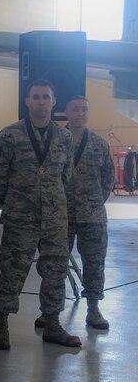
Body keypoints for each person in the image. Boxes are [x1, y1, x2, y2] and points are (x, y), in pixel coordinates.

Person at [0, 79, 82, 349]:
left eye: (46, 97)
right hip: (21, 217)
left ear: (54, 102)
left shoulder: (64, 137)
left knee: (55, 270)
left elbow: (66, 175)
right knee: (12, 268)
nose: (41, 101)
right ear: (28, 101)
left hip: (54, 218)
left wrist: (53, 200)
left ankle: (52, 323)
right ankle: (2, 323)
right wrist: (13, 202)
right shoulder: (10, 135)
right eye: (36, 97)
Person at [63, 95, 116, 329]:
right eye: (75, 109)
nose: (80, 113)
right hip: (60, 213)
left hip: (92, 215)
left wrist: (93, 201)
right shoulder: (55, 140)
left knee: (94, 263)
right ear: (67, 112)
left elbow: (108, 178)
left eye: (84, 109)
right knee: (54, 263)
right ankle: (50, 311)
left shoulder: (99, 144)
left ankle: (93, 309)